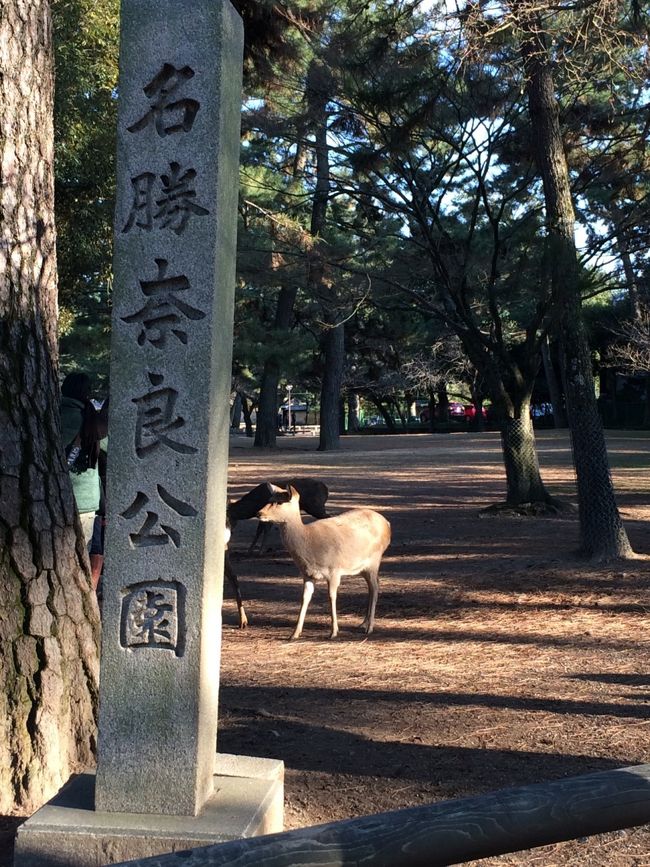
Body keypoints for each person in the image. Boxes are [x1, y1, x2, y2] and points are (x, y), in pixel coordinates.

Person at [60, 373, 106, 588]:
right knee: (88, 553)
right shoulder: (89, 420)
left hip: (52, 498)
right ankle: (87, 598)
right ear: (86, 393)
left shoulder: (46, 416)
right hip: (86, 499)